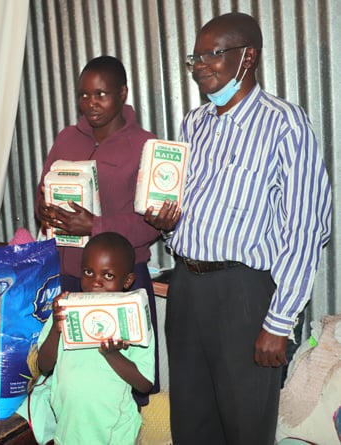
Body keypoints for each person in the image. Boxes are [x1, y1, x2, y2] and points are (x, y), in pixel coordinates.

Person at [144, 12, 331, 445]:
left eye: (214, 54)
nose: (201, 66)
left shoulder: (285, 123)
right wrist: (168, 226)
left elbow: (307, 227)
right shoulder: (195, 124)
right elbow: (191, 209)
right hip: (187, 289)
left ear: (248, 57)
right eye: (196, 57)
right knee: (191, 420)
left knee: (246, 426)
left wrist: (280, 321)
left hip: (245, 296)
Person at [35, 55, 161, 403]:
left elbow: (152, 223)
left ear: (123, 93)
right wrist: (44, 209)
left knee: (127, 382)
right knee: (72, 380)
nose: (91, 104)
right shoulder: (66, 139)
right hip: (72, 275)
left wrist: (95, 225)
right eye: (84, 95)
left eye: (101, 94)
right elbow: (44, 188)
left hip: (119, 282)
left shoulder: (145, 146)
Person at [34, 232, 155, 445]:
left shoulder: (133, 319)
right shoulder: (67, 310)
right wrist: (55, 328)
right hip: (68, 431)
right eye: (88, 272)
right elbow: (44, 365)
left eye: (108, 275)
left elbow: (144, 384)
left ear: (127, 281)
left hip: (116, 436)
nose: (95, 282)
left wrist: (112, 354)